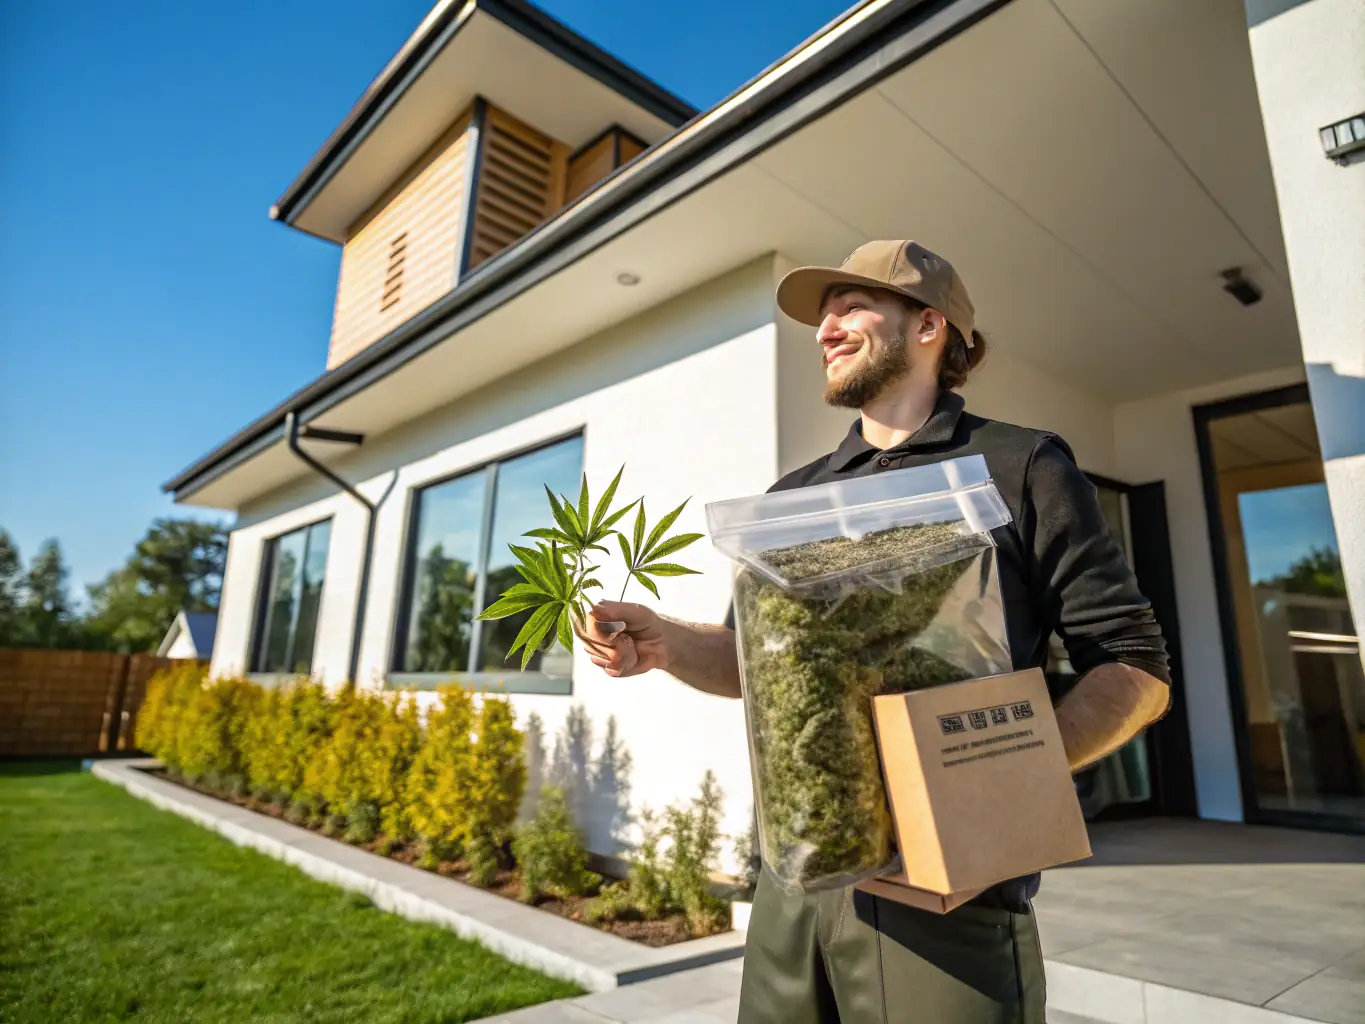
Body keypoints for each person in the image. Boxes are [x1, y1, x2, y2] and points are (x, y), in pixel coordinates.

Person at [577, 240, 1171, 1024]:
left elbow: (1134, 665)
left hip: (946, 903)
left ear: (929, 325)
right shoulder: (796, 496)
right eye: (822, 313)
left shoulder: (1019, 465)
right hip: (793, 887)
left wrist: (987, 797)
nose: (825, 327)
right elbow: (759, 668)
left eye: (850, 305)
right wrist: (666, 643)